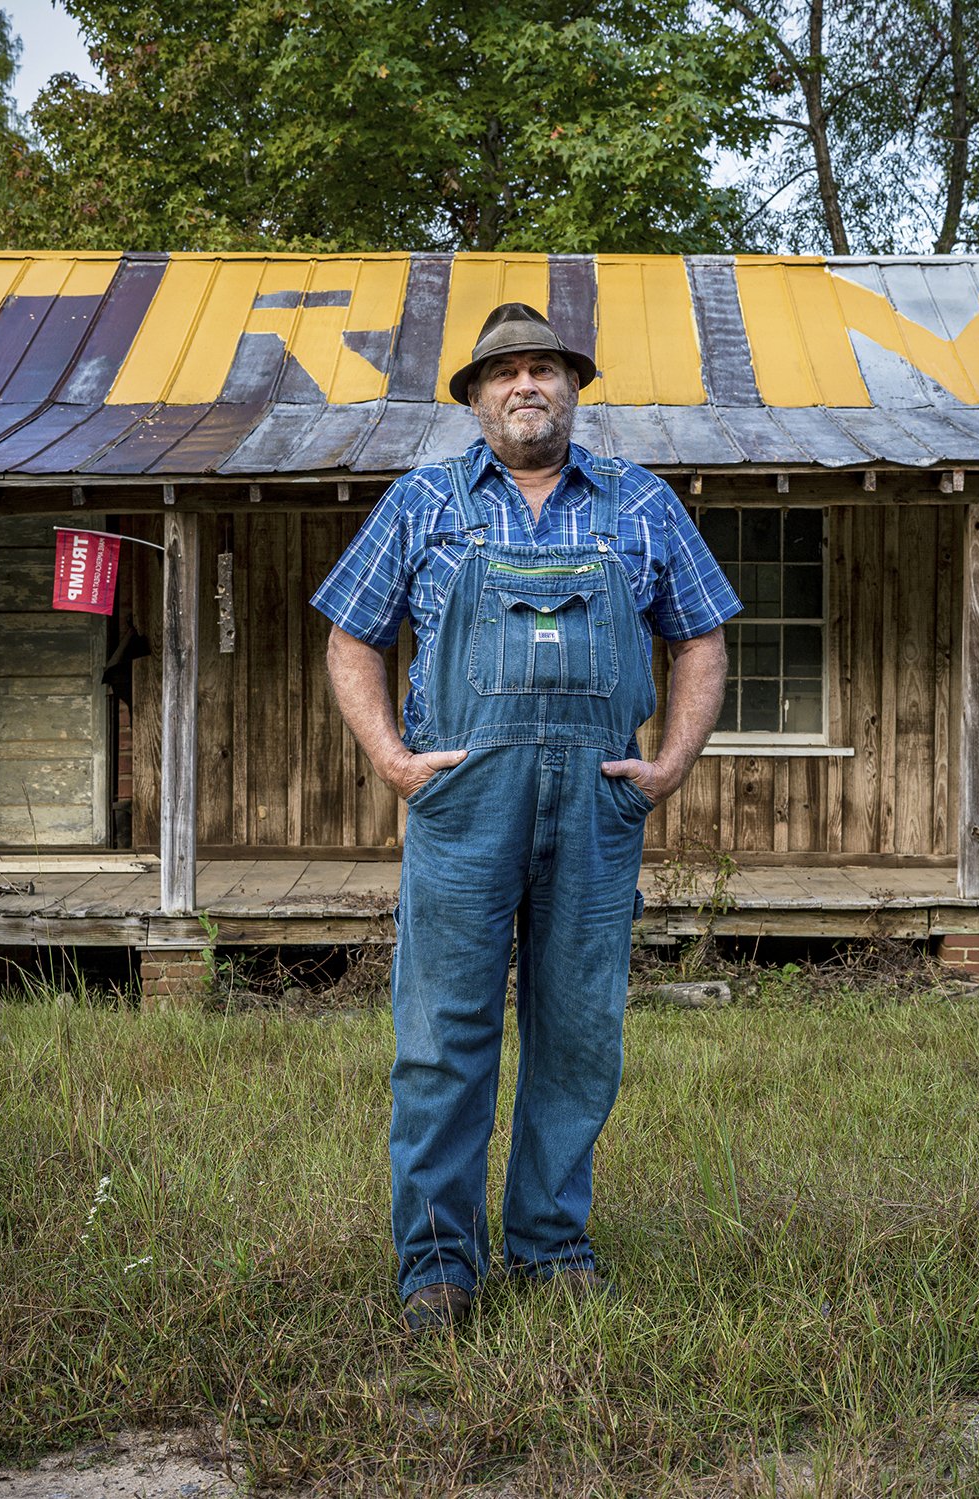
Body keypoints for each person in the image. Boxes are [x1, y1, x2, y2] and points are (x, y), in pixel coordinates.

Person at [313, 303, 740, 1333]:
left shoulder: (640, 503)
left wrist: (668, 764)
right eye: (502, 372)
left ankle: (550, 1244)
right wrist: (392, 758)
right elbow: (350, 638)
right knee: (441, 1035)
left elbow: (699, 639)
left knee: (578, 1033)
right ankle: (437, 1265)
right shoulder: (421, 502)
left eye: (543, 368)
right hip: (464, 804)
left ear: (572, 388)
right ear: (472, 397)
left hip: (594, 803)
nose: (524, 386)